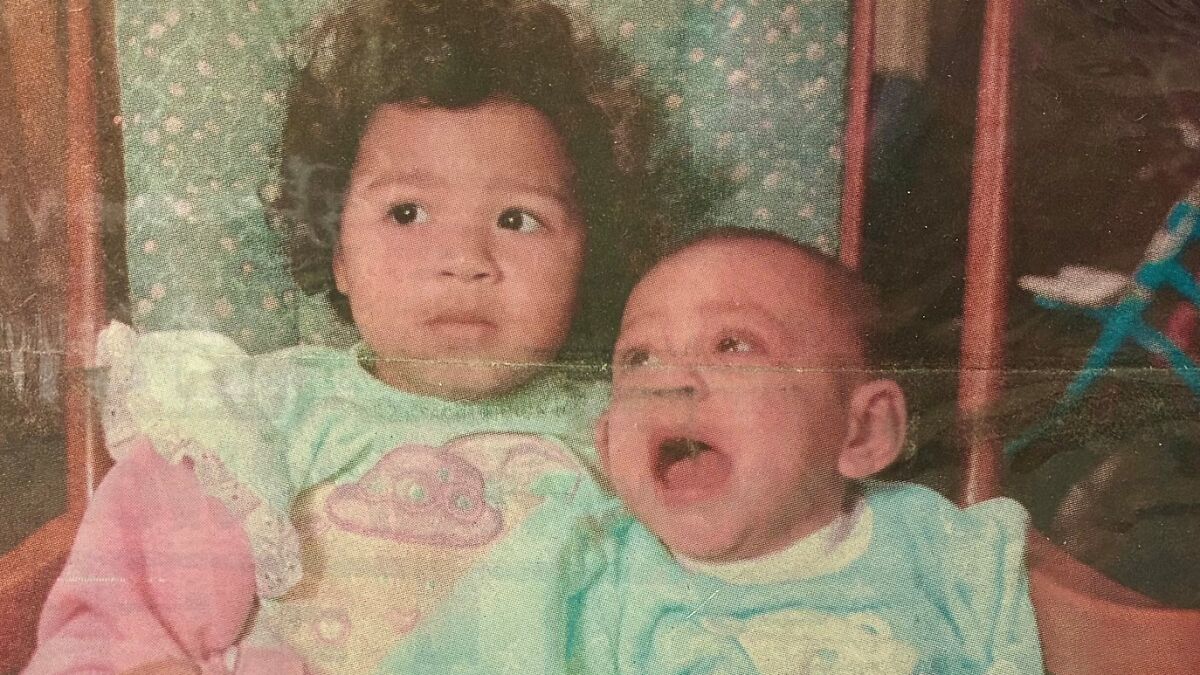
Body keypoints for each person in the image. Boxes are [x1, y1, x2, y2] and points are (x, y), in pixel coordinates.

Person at [26, 0, 663, 671]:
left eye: (517, 218)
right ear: (337, 254)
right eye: (408, 212)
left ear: (587, 254)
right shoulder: (263, 411)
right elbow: (123, 615)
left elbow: (743, 598)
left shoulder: (627, 423)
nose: (466, 258)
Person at [383, 229, 1045, 674]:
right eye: (639, 358)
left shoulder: (947, 551)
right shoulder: (579, 565)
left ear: (862, 431)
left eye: (733, 345)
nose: (673, 379)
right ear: (610, 444)